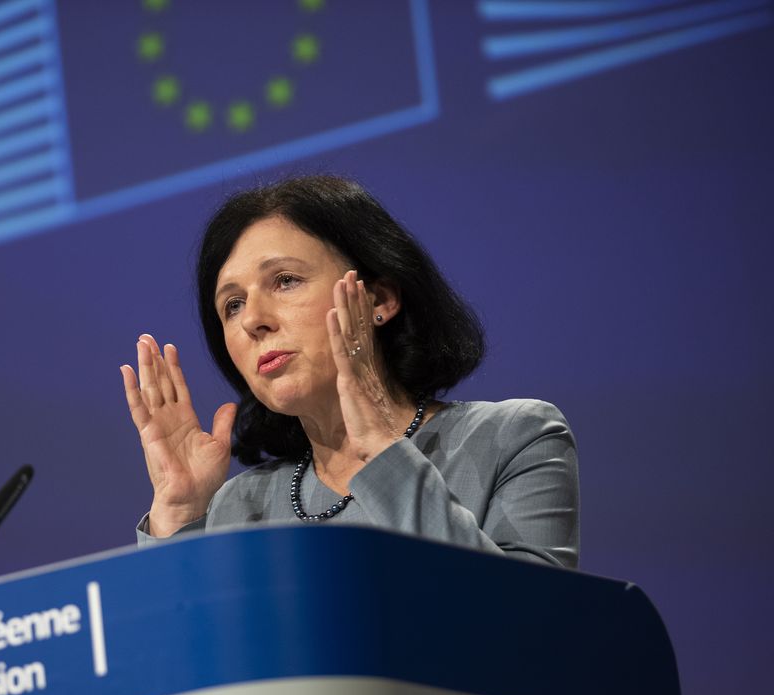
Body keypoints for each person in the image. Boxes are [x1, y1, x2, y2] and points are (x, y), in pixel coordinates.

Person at [120, 176, 578, 568]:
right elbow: (183, 662)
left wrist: (381, 447)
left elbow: (527, 630)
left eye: (285, 280)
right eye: (232, 304)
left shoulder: (515, 438)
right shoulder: (241, 507)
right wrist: (180, 513)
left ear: (378, 299)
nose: (252, 319)